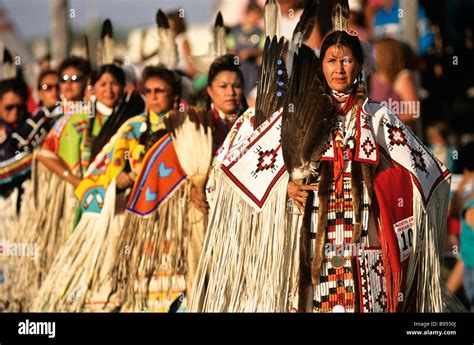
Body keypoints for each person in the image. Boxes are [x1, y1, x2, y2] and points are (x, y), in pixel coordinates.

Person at [190, 1, 457, 313]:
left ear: (360, 65)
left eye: (347, 60)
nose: (339, 68)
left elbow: (429, 173)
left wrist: (387, 193)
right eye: (332, 60)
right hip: (313, 243)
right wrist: (283, 189)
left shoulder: (379, 117)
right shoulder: (299, 116)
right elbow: (241, 172)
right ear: (322, 66)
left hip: (365, 244)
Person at [370, 37, 419, 133]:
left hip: (399, 136)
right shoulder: (374, 76)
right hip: (379, 135)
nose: (373, 55)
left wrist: (386, 119)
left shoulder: (402, 78)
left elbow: (413, 113)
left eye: (376, 52)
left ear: (385, 55)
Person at [226, 1, 265, 97]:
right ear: (247, 13)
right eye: (255, 15)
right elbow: (229, 46)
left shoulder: (260, 32)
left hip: (252, 69)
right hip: (237, 67)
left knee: (250, 93)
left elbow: (262, 49)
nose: (257, 19)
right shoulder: (235, 30)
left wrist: (250, 53)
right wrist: (235, 54)